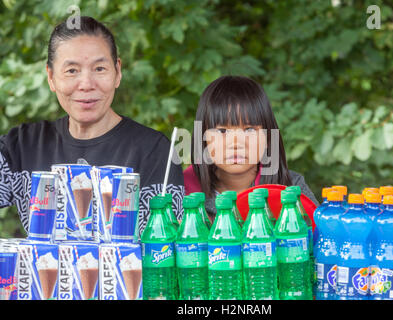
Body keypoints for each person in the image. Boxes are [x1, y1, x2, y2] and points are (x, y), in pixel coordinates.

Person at [0, 16, 184, 236]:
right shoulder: (22, 146)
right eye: (71, 71)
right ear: (51, 77)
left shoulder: (154, 151)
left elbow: (163, 247)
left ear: (117, 72)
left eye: (99, 69)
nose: (86, 84)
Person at [183, 75, 318, 220]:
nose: (236, 143)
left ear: (267, 137)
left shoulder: (291, 189)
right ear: (203, 140)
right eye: (222, 131)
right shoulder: (182, 191)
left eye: (249, 130)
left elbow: (320, 236)